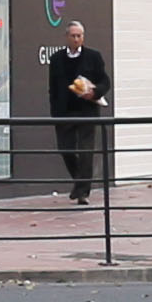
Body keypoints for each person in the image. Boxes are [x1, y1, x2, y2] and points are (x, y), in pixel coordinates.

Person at [43, 17, 111, 200]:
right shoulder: (57, 59)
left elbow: (105, 81)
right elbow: (53, 88)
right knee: (66, 149)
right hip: (64, 112)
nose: (76, 39)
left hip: (87, 111)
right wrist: (55, 112)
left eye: (79, 36)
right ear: (66, 37)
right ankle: (80, 184)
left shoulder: (93, 57)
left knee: (86, 151)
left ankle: (82, 192)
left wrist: (95, 92)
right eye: (73, 36)